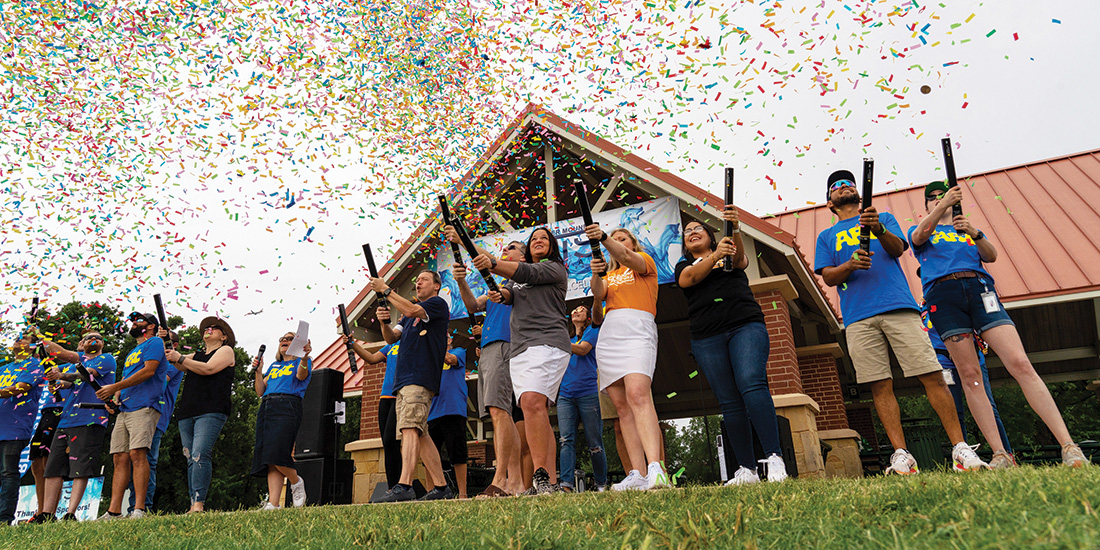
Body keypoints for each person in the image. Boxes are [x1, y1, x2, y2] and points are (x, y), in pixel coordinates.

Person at [813, 170, 984, 474]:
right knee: (880, 384)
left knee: (931, 374)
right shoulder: (826, 237)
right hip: (857, 317)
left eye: (848, 183)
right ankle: (902, 454)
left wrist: (877, 228)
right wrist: (850, 265)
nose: (843, 187)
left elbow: (899, 249)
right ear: (829, 203)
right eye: (836, 186)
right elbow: (827, 277)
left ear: (858, 193)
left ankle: (959, 448)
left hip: (899, 307)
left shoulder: (885, 218)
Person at [909, 181, 1087, 467]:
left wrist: (974, 232)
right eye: (932, 198)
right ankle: (999, 453)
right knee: (970, 375)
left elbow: (990, 254)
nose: (937, 200)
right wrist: (944, 204)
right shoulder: (924, 231)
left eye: (942, 196)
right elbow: (917, 237)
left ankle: (1069, 446)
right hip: (943, 295)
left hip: (980, 289)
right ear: (927, 204)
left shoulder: (965, 228)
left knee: (1020, 362)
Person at [676, 208, 790, 486]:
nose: (692, 232)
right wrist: (714, 257)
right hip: (706, 336)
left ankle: (774, 457)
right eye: (687, 231)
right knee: (729, 401)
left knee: (751, 383)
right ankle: (746, 469)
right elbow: (687, 280)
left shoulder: (730, 251)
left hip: (744, 325)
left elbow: (740, 259)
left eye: (697, 228)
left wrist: (735, 230)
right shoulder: (683, 265)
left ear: (712, 236)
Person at [477, 227, 570, 495]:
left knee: (530, 402)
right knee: (533, 410)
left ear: (552, 246)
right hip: (521, 349)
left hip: (549, 342)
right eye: (534, 239)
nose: (538, 241)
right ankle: (549, 484)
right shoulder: (515, 282)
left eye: (544, 238)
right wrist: (500, 294)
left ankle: (540, 476)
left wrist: (492, 262)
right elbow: (507, 295)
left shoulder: (553, 269)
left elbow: (523, 271)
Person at [583, 224, 669, 490]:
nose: (618, 242)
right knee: (622, 407)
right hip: (611, 333)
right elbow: (598, 294)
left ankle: (656, 466)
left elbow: (628, 257)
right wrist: (596, 274)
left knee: (638, 394)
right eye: (615, 238)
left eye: (623, 238)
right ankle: (638, 473)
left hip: (638, 328)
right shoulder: (611, 274)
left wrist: (605, 238)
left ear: (632, 243)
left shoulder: (645, 262)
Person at [443, 231, 527, 497]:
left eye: (511, 248)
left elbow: (488, 260)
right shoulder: (498, 284)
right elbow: (470, 304)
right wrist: (461, 281)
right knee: (499, 413)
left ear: (522, 256)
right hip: (491, 348)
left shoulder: (522, 277)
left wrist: (462, 239)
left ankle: (500, 479)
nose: (506, 251)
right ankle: (513, 481)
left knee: (499, 410)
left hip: (505, 343)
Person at [370, 271, 452, 502]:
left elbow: (413, 310)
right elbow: (391, 338)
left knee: (408, 428)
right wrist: (385, 322)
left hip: (420, 376)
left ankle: (404, 484)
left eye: (424, 279)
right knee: (420, 432)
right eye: (417, 280)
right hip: (404, 380)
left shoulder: (437, 304)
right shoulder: (406, 318)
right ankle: (441, 487)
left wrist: (386, 289)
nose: (418, 282)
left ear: (437, 286)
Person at [918, 298, 1015, 468]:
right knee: (954, 411)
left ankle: (1005, 454)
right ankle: (964, 458)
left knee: (989, 407)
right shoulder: (923, 310)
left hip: (973, 361)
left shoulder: (960, 298)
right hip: (944, 363)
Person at [34, 330, 116, 522]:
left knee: (81, 466)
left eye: (99, 338)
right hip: (67, 419)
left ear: (102, 345)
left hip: (90, 418)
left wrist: (62, 374)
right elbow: (66, 382)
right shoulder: (74, 362)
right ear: (81, 344)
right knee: (54, 467)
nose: (94, 340)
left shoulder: (106, 358)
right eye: (89, 338)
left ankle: (70, 513)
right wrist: (56, 383)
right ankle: (47, 514)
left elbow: (86, 375)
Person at [96, 312, 168, 520]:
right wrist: (115, 398)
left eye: (140, 320)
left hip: (145, 405)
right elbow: (127, 377)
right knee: (119, 458)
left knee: (138, 454)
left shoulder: (154, 342)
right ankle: (113, 511)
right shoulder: (133, 351)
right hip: (126, 408)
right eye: (133, 321)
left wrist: (114, 387)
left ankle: (139, 509)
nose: (134, 323)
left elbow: (148, 371)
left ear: (152, 326)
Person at [165, 316, 237, 513]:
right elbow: (175, 360)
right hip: (188, 411)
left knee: (200, 453)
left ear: (224, 337)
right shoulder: (195, 355)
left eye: (214, 328)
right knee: (190, 457)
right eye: (207, 327)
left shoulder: (226, 351)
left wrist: (178, 357)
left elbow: (209, 369)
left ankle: (199, 503)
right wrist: (165, 340)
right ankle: (193, 503)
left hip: (211, 409)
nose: (209, 329)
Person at [346, 307, 403, 497]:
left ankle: (399, 484)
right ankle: (391, 487)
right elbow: (371, 359)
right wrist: (353, 344)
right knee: (388, 444)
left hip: (401, 396)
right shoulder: (391, 346)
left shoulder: (414, 342)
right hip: (385, 397)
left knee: (391, 439)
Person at [251, 330, 312, 510]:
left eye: (289, 339)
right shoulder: (274, 366)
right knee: (268, 456)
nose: (284, 341)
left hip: (287, 405)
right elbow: (260, 391)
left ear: (297, 343)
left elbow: (301, 376)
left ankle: (296, 482)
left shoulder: (302, 362)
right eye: (282, 339)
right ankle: (273, 503)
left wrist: (304, 356)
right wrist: (259, 372)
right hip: (267, 405)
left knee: (277, 451)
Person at [129, 329, 184, 514]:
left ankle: (142, 507)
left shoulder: (174, 363)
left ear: (173, 345)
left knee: (147, 461)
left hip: (156, 416)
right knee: (133, 460)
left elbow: (158, 377)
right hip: (137, 410)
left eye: (161, 341)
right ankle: (132, 507)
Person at [558, 304, 606, 493]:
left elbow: (583, 350)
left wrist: (557, 342)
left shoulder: (593, 331)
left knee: (594, 442)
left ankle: (601, 484)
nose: (576, 311)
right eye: (574, 309)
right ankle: (566, 485)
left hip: (588, 393)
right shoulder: (567, 338)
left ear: (588, 317)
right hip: (565, 394)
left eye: (582, 310)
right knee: (565, 440)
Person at [0, 334, 44, 526]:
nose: (18, 339)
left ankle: (4, 519)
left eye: (25, 338)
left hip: (15, 428)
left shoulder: (35, 365)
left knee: (8, 472)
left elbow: (20, 388)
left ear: (33, 347)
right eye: (17, 337)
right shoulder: (4, 368)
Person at [24, 337, 64, 524]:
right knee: (36, 464)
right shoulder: (28, 368)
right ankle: (41, 512)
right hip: (41, 414)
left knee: (50, 462)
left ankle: (50, 512)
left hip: (58, 411)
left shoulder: (54, 366)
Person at [427, 334, 469, 498]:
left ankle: (463, 494)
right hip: (432, 412)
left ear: (450, 340)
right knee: (430, 455)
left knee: (457, 453)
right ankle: (432, 492)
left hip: (453, 409)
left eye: (443, 335)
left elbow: (450, 360)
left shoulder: (459, 352)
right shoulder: (431, 359)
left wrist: (434, 340)